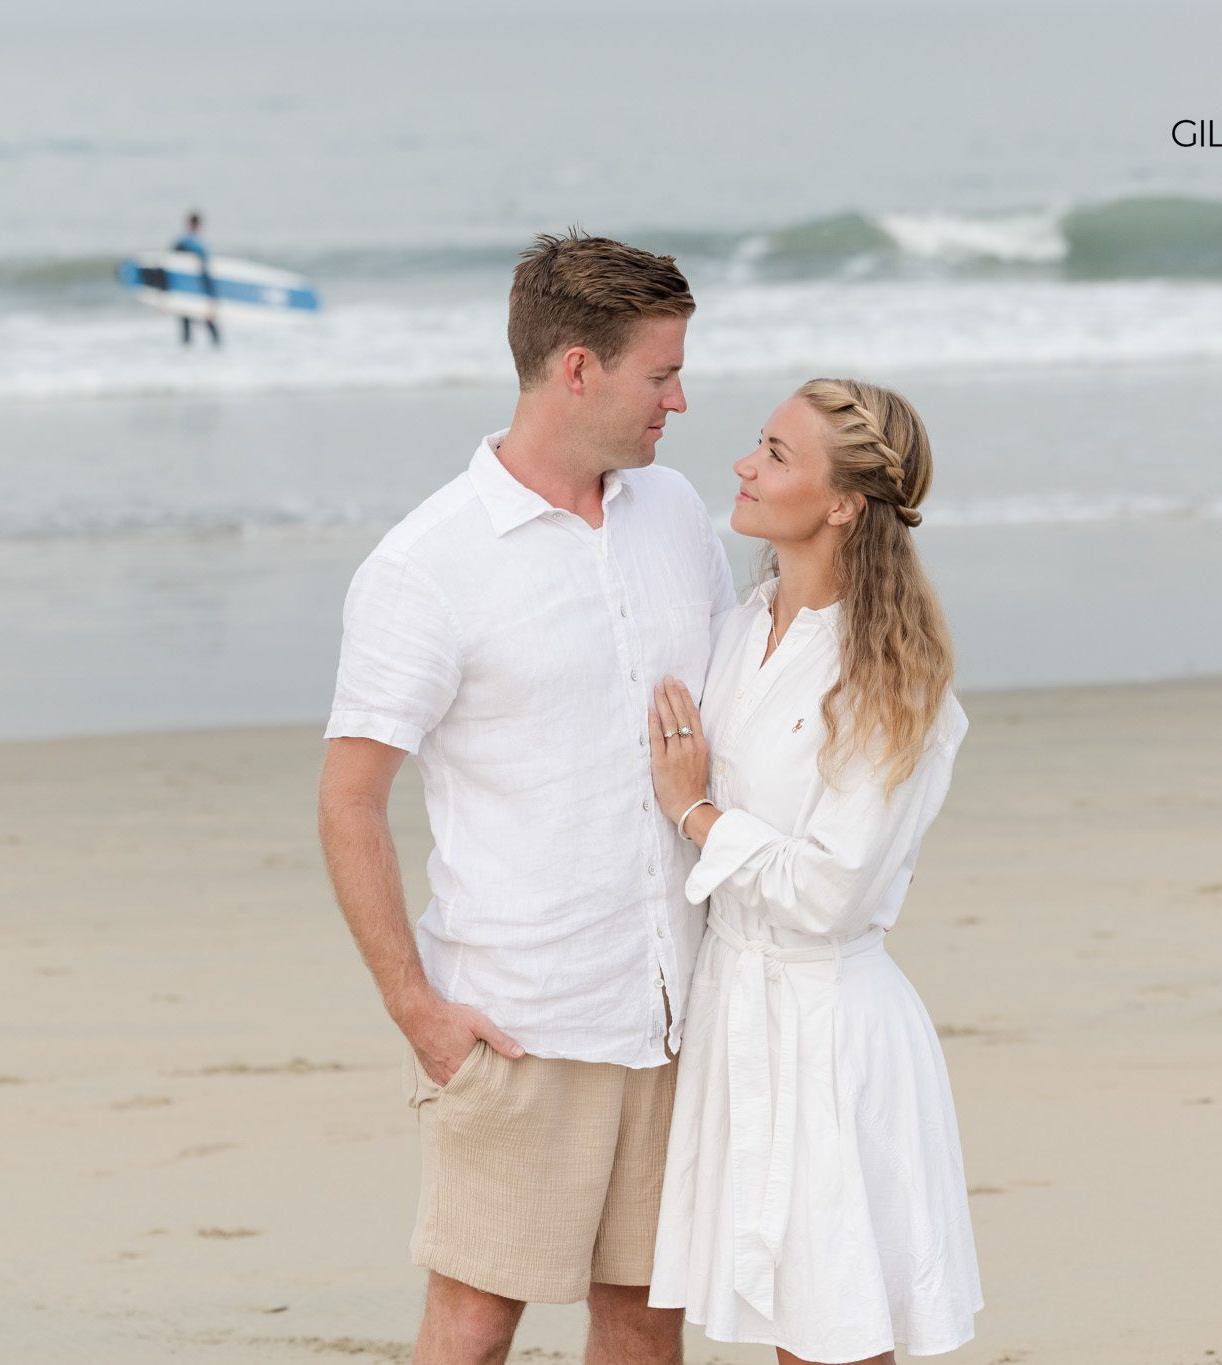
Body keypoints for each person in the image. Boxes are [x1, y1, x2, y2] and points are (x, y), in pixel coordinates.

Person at [317, 229, 735, 1365]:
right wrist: (416, 1008)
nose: (680, 401)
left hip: (678, 1003)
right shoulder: (426, 565)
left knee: (646, 1316)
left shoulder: (674, 512)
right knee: (474, 1319)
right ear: (577, 370)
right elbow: (349, 801)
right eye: (661, 374)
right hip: (522, 1016)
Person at [645, 378, 984, 1362]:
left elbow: (829, 893)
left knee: (836, 1338)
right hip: (735, 1011)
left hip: (830, 1032)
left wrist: (696, 812)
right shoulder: (739, 628)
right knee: (792, 1334)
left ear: (842, 504)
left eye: (776, 455)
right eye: (758, 442)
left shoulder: (888, 673)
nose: (744, 465)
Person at [172, 210, 219, 348]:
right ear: (198, 225)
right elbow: (205, 273)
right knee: (209, 326)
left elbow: (172, 269)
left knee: (187, 330)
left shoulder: (180, 243)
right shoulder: (198, 246)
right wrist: (211, 296)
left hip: (184, 292)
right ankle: (216, 352)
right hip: (198, 291)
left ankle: (188, 356)